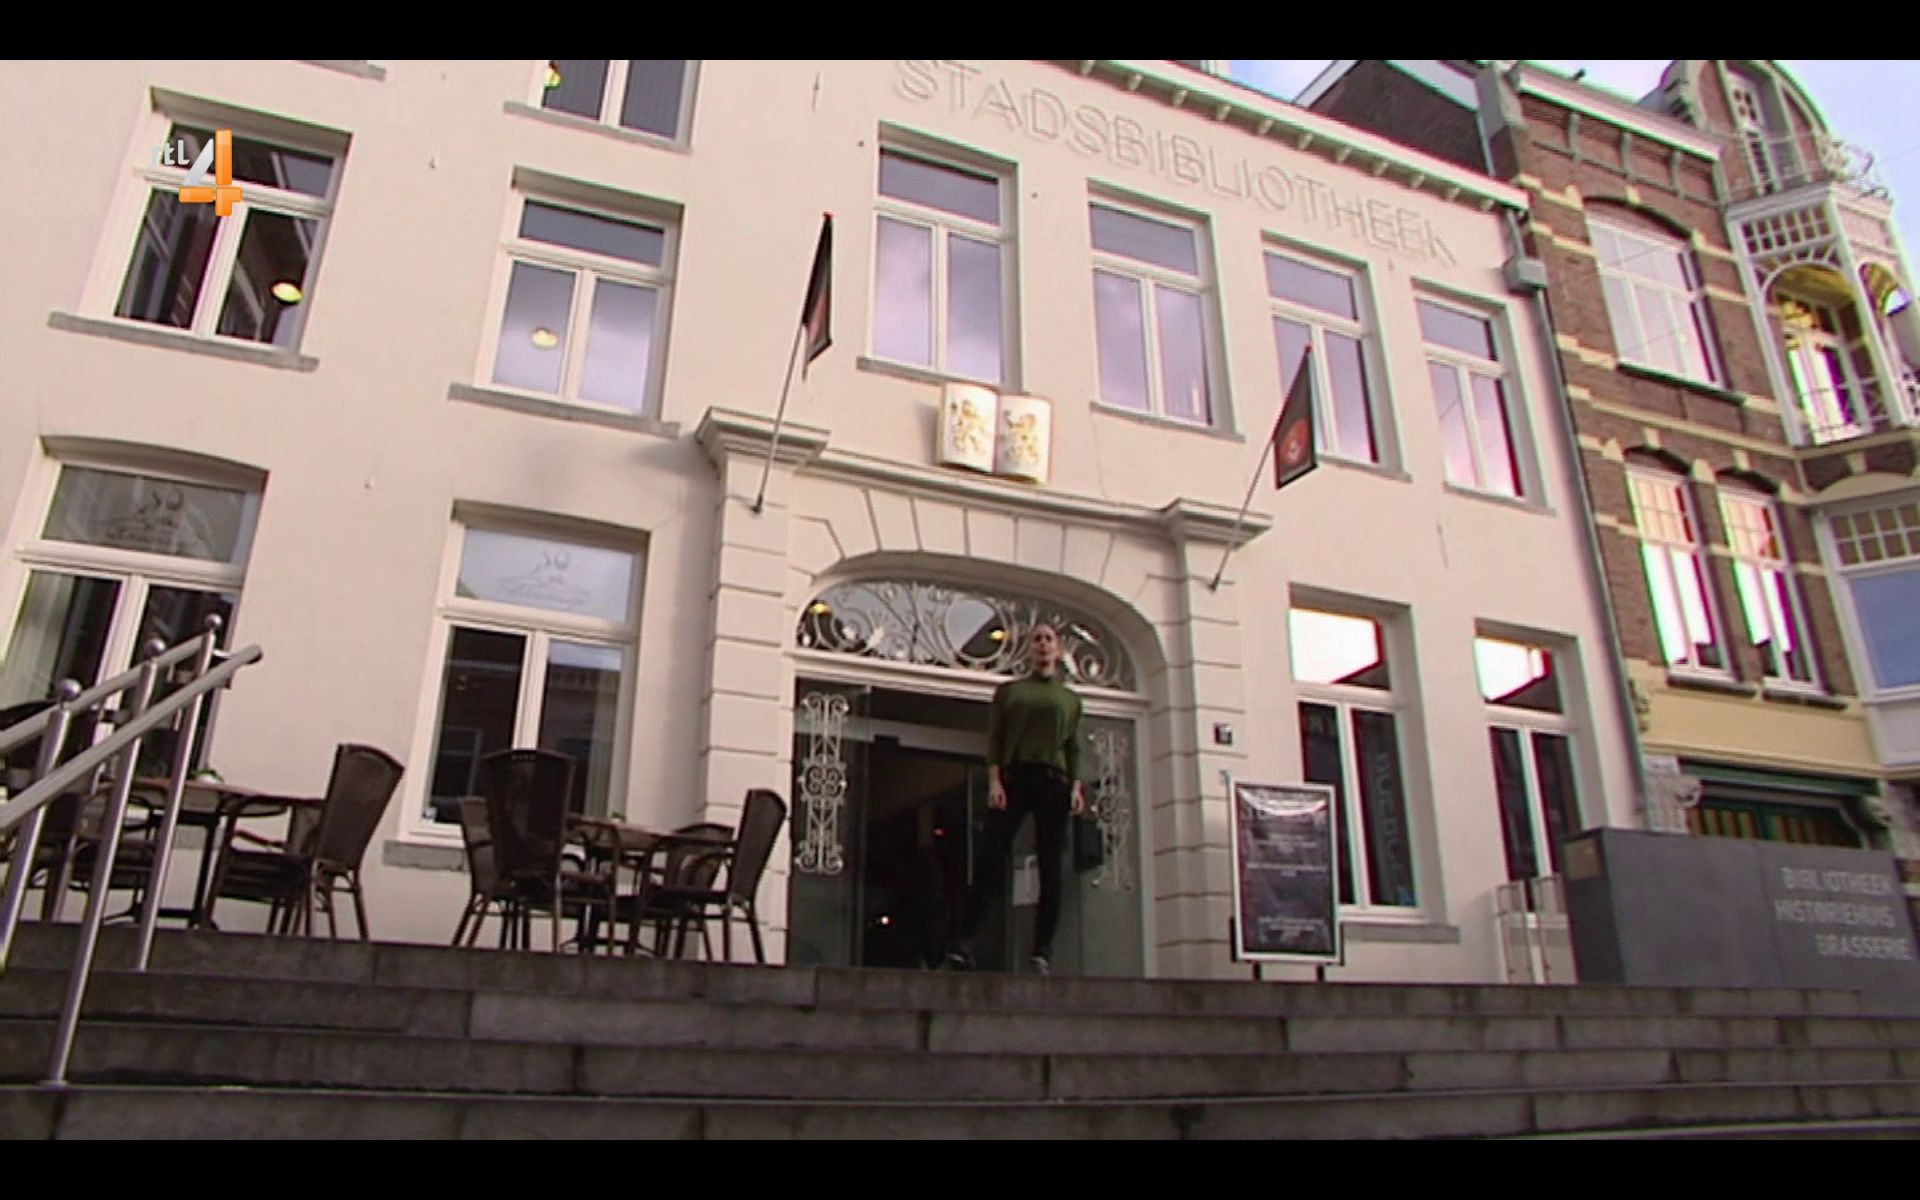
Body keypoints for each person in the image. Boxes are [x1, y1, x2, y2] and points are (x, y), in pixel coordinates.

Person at [947, 623, 1085, 975]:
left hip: (1053, 781)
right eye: (1037, 639)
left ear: (1058, 649)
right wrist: (995, 781)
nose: (1043, 644)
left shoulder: (1070, 699)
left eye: (1048, 639)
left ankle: (1042, 951)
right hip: (1015, 777)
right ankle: (965, 942)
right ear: (1029, 648)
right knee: (991, 858)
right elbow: (996, 738)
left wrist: (1075, 787)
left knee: (1051, 866)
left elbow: (1073, 746)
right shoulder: (1010, 692)